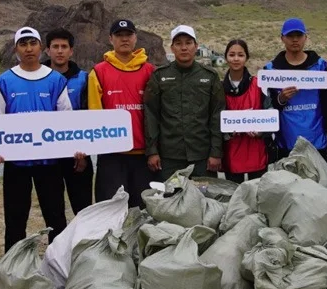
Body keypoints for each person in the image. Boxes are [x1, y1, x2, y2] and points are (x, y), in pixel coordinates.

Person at [0, 27, 77, 250]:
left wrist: (74, 147)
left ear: (41, 48)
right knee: (15, 218)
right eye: (23, 44)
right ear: (16, 49)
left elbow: (66, 119)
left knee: (55, 216)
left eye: (33, 43)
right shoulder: (4, 81)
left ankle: (58, 261)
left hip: (49, 162)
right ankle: (14, 264)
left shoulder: (56, 80)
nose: (28, 49)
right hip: (16, 163)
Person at [88, 19, 156, 208]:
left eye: (128, 35)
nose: (124, 39)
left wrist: (154, 150)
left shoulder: (150, 71)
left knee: (143, 211)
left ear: (135, 38)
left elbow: (157, 114)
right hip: (112, 156)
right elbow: (94, 115)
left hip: (143, 155)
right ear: (111, 39)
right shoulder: (98, 72)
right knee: (111, 210)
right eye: (119, 35)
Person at [145, 25, 226, 181]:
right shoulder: (159, 76)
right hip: (169, 156)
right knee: (171, 195)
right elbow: (151, 115)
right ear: (172, 48)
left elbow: (217, 115)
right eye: (178, 43)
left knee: (203, 195)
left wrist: (216, 152)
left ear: (196, 46)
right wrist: (152, 151)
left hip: (202, 156)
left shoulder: (210, 76)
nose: (184, 48)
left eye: (188, 43)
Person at [264, 18, 327, 159]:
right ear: (282, 38)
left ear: (305, 37)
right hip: (286, 145)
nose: (295, 40)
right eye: (290, 36)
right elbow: (268, 109)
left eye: (299, 35)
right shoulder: (271, 70)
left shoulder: (320, 66)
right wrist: (280, 99)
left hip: (317, 143)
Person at [45, 28, 94, 213]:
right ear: (47, 50)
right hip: (49, 156)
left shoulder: (84, 79)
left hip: (78, 156)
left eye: (64, 47)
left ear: (71, 51)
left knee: (83, 209)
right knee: (53, 211)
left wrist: (85, 153)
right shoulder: (38, 78)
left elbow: (89, 117)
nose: (60, 51)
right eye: (55, 46)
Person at [221, 39, 270, 183]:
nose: (236, 59)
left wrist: (261, 131)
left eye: (240, 55)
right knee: (235, 195)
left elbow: (270, 113)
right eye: (232, 55)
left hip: (257, 151)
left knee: (257, 193)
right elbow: (215, 119)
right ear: (226, 58)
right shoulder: (218, 88)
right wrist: (228, 132)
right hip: (231, 152)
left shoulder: (259, 85)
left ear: (247, 58)